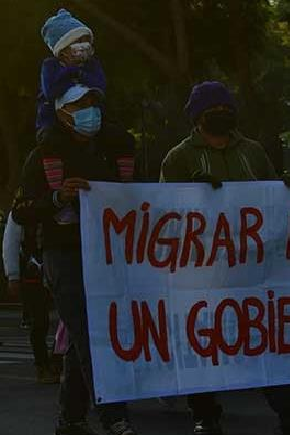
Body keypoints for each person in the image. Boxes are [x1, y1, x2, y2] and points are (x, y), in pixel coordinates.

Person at [159, 81, 290, 435]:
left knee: (265, 336)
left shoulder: (252, 151)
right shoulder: (179, 157)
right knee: (203, 338)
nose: (222, 114)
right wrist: (192, 194)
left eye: (227, 108)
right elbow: (164, 213)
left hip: (253, 265)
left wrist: (289, 189)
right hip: (204, 268)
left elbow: (271, 195)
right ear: (197, 117)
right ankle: (205, 415)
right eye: (214, 110)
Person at [12, 84, 136, 435]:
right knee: (89, 332)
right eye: (80, 104)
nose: (89, 110)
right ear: (62, 112)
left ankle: (71, 418)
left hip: (107, 254)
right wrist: (58, 198)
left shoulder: (112, 151)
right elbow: (21, 211)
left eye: (93, 102)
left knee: (85, 337)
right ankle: (114, 416)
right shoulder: (43, 156)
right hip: (64, 254)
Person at [3, 211, 57, 384]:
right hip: (32, 272)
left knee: (64, 322)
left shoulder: (53, 205)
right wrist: (13, 275)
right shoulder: (21, 210)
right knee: (40, 321)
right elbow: (10, 242)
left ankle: (56, 361)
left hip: (54, 268)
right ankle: (42, 365)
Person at [38, 9, 106, 141]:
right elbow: (51, 92)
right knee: (51, 138)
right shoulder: (50, 65)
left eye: (86, 40)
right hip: (52, 121)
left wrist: (78, 73)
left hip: (89, 118)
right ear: (62, 49)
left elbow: (100, 86)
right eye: (78, 41)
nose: (85, 45)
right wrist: (71, 71)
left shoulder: (92, 64)